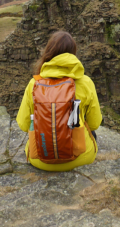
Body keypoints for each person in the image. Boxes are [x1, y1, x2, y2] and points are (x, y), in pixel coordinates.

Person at [15, 31, 102, 171]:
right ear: (73, 53)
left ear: (48, 53)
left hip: (40, 160)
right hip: (81, 159)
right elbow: (94, 123)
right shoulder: (85, 82)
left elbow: (24, 125)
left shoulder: (34, 84)